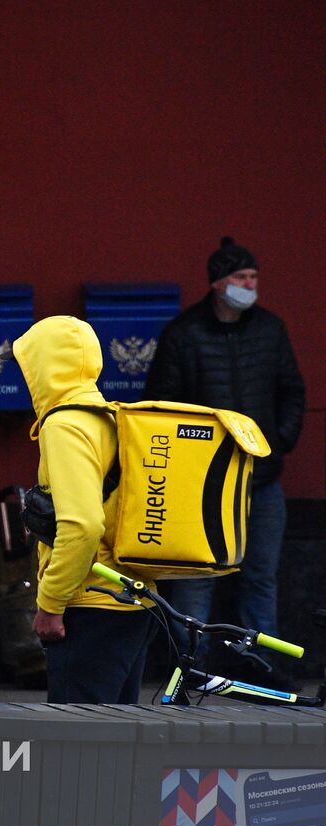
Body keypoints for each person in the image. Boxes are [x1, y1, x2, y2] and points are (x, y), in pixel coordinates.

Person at [143, 238, 305, 677]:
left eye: (254, 277)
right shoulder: (183, 333)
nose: (250, 285)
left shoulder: (270, 329)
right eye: (241, 278)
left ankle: (260, 668)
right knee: (196, 579)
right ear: (217, 283)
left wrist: (281, 438)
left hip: (262, 478)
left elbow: (291, 389)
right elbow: (161, 405)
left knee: (260, 577)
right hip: (203, 484)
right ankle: (191, 667)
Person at [11, 315, 158, 703]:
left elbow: (82, 525)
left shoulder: (66, 424)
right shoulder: (111, 417)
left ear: (44, 366)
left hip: (91, 605)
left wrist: (50, 604)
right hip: (133, 600)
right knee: (115, 742)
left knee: (77, 751)